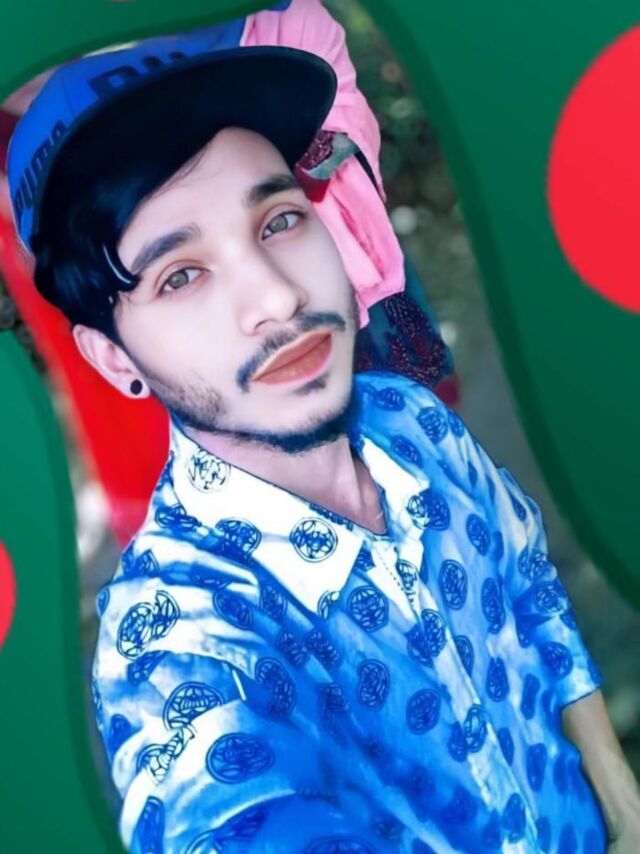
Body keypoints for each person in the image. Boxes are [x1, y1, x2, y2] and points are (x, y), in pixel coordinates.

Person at [6, 6, 640, 854]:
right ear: (111, 355)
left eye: (279, 221)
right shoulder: (178, 643)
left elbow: (527, 584)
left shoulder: (416, 423)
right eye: (181, 274)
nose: (277, 295)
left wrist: (620, 798)